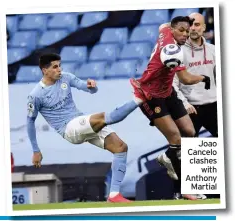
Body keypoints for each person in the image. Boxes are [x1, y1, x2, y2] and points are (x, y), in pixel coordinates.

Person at [27, 53, 139, 203]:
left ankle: (113, 195)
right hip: (68, 129)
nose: (59, 69)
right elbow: (30, 122)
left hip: (80, 121)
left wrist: (92, 86)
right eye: (55, 67)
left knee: (120, 147)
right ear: (44, 70)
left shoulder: (65, 77)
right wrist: (35, 150)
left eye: (60, 65)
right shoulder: (36, 95)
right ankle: (139, 98)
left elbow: (87, 88)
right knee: (102, 118)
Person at [128, 16, 211, 200]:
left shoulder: (166, 30)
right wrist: (204, 78)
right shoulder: (173, 51)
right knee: (176, 138)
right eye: (181, 30)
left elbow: (162, 26)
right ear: (173, 30)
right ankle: (185, 189)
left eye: (187, 31)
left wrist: (169, 27)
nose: (185, 35)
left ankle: (168, 156)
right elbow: (186, 79)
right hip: (151, 96)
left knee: (190, 131)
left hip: (168, 92)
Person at [172, 12, 217, 200]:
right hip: (191, 107)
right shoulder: (178, 52)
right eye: (190, 24)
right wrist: (184, 103)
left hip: (213, 104)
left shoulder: (215, 50)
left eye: (197, 24)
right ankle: (180, 192)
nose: (193, 28)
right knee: (182, 150)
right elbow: (173, 83)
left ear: (204, 28)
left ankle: (218, 190)